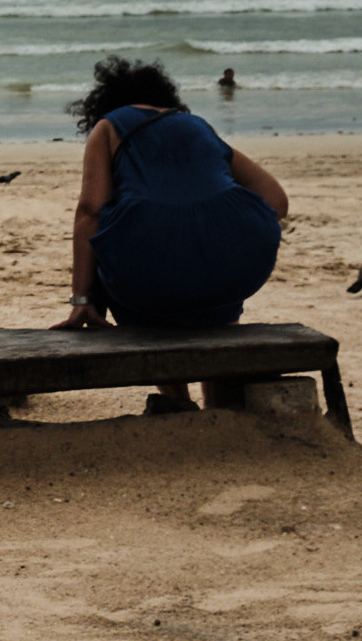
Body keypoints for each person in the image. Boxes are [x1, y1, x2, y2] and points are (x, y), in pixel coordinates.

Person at [52, 56, 288, 412]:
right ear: (165, 97)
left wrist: (81, 301)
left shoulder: (109, 127)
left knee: (117, 248)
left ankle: (176, 400)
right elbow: (277, 201)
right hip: (237, 272)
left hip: (149, 280)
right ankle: (218, 404)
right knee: (210, 251)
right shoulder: (196, 125)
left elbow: (90, 212)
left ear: (106, 102)